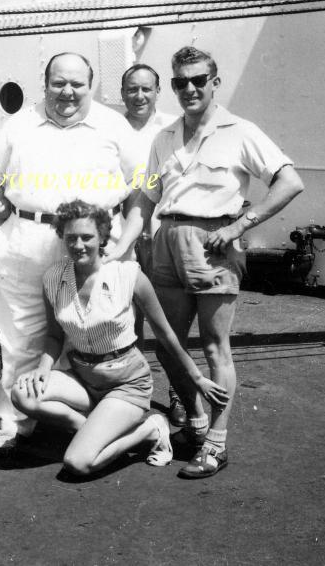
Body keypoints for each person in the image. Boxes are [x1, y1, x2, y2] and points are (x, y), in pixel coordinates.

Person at [142, 46, 304, 478]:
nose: (189, 89)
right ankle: (195, 424)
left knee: (215, 348)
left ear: (215, 82)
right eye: (180, 82)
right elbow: (148, 196)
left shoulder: (241, 131)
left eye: (198, 80)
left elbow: (290, 181)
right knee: (169, 345)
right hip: (166, 242)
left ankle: (216, 442)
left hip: (213, 245)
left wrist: (240, 226)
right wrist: (126, 241)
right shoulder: (164, 136)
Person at [0, 52, 146, 457]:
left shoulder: (114, 126)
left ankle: (97, 410)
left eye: (77, 83)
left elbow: (143, 187)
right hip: (27, 240)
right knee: (21, 334)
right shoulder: (18, 125)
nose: (68, 91)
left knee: (100, 330)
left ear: (90, 84)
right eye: (58, 82)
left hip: (96, 245)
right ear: (45, 84)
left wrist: (125, 242)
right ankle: (14, 422)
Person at [11, 200, 229, 476]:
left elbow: (165, 333)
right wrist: (42, 369)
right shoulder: (53, 278)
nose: (79, 245)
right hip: (84, 379)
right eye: (71, 238)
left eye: (87, 237)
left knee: (78, 462)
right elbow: (54, 336)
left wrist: (197, 377)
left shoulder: (128, 275)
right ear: (62, 238)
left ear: (102, 236)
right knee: (22, 393)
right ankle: (93, 426)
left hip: (127, 384)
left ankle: (150, 429)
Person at [120, 64, 185, 427]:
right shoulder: (111, 128)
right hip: (122, 236)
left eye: (146, 89)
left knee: (168, 321)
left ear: (158, 91)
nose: (139, 96)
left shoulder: (174, 127)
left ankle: (177, 395)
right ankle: (133, 395)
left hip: (162, 235)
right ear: (122, 92)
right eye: (132, 89)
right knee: (127, 321)